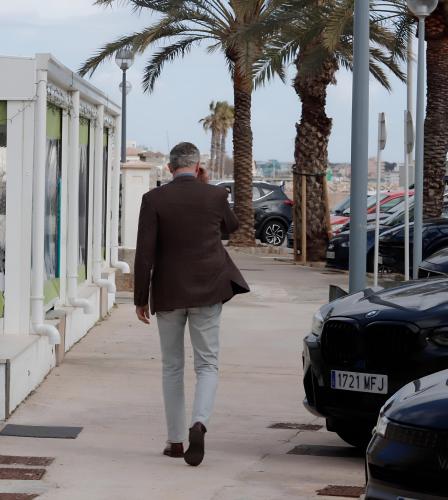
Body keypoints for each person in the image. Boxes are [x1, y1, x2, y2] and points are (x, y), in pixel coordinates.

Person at [134, 142, 249, 467]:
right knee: (207, 364)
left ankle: (175, 442)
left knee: (172, 366)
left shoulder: (153, 199)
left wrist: (140, 297)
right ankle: (199, 422)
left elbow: (144, 253)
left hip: (169, 292)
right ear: (198, 167)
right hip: (208, 291)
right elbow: (231, 227)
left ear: (170, 168)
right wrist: (207, 186)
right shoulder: (215, 195)